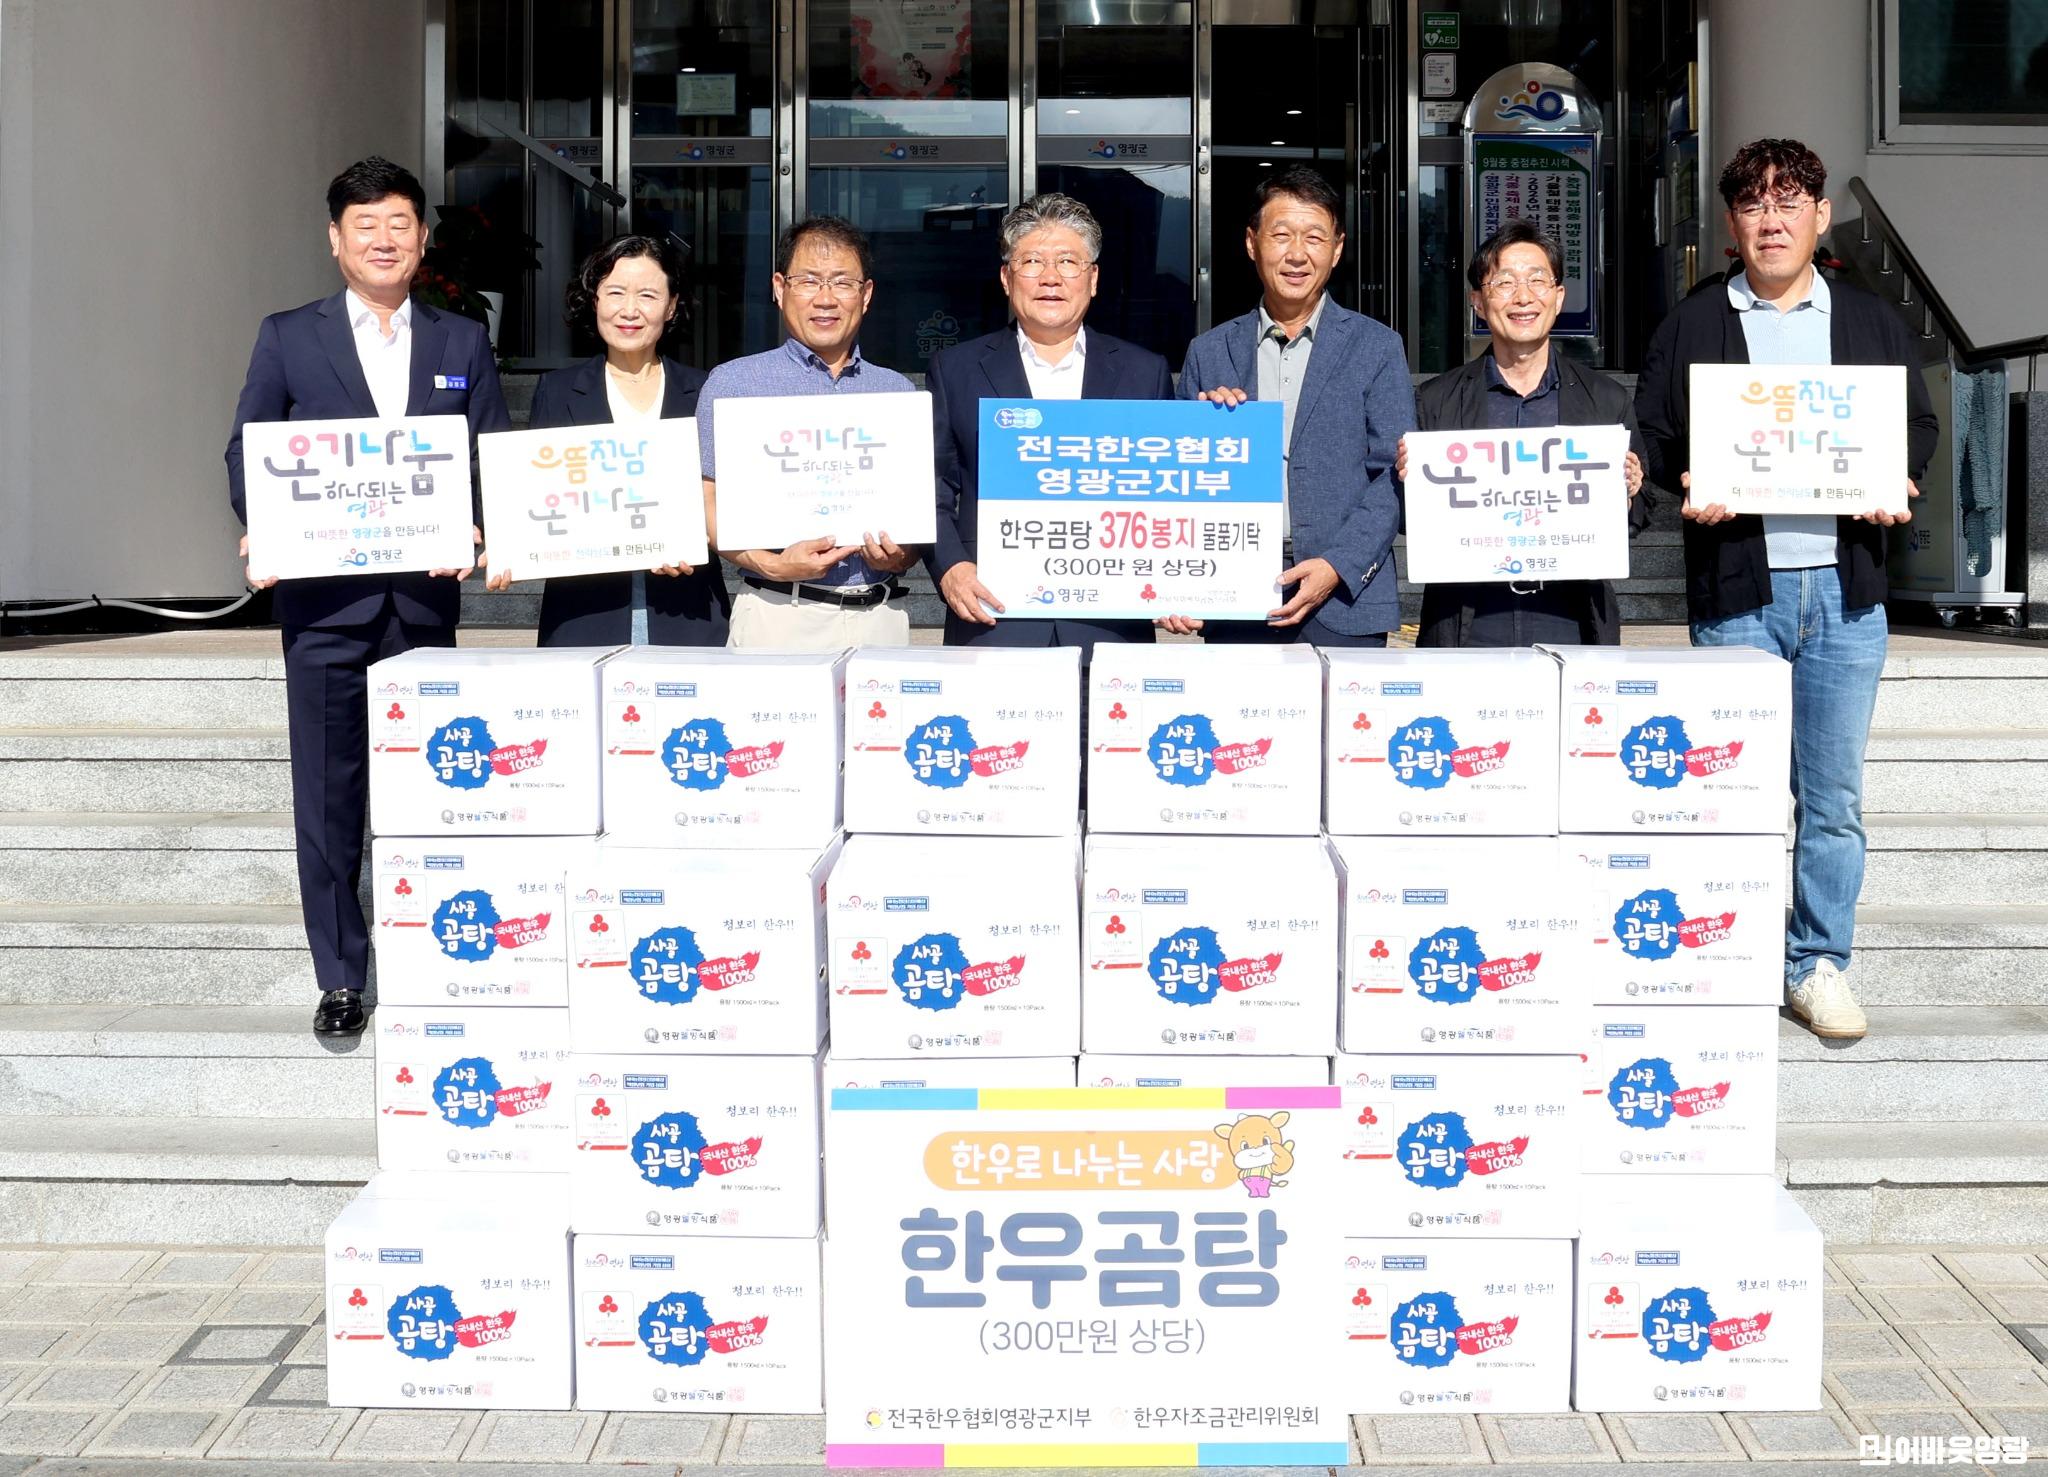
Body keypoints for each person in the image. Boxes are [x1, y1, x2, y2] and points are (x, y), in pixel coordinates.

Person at [1635, 137, 1936, 1041]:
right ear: (1733, 224)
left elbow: (1915, 424)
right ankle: (1728, 961)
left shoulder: (1868, 320)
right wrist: (1683, 483)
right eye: (1754, 204)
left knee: (1832, 799)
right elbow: (1652, 437)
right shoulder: (1693, 323)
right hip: (1739, 592)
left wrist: (1898, 478)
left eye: (1789, 201)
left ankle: (1818, 965)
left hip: (1846, 593)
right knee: (1731, 796)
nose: (1772, 220)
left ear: (1820, 217)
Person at [225, 156, 508, 1039]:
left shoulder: (462, 340)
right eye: (365, 225)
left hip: (422, 607)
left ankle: (432, 960)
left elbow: (489, 453)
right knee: (329, 797)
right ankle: (342, 973)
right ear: (335, 239)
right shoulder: (289, 336)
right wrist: (264, 525)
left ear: (422, 238)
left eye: (399, 223)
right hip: (323, 610)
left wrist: (480, 524)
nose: (384, 240)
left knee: (433, 789)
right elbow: (247, 448)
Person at [1170, 165, 1414, 646]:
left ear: (1337, 249)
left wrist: (1337, 565)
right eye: (1281, 235)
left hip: (1344, 601)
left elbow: (1393, 476)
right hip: (1234, 592)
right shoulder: (1209, 352)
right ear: (1252, 243)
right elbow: (1179, 483)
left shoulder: (1377, 347)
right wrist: (1206, 428)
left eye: (1314, 238)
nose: (1297, 254)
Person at [926, 193, 1173, 657]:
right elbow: (929, 490)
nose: (1050, 277)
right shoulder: (955, 370)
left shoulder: (1145, 372)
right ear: (1006, 278)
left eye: (1067, 262)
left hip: (1110, 625)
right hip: (994, 617)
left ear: (1093, 278)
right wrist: (951, 567)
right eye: (1032, 261)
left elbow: (1172, 494)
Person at [1397, 220, 1649, 646]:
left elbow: (1638, 515)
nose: (1523, 297)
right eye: (1505, 283)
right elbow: (1408, 522)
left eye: (1537, 280)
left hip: (1571, 617)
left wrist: (1628, 492)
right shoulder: (1436, 401)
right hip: (1469, 621)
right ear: (1478, 302)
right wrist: (1411, 484)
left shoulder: (1605, 400)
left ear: (1558, 297)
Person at [487, 234, 724, 646]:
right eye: (615, 292)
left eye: (647, 295)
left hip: (687, 612)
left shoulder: (705, 390)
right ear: (594, 300)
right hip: (584, 617)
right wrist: (511, 546)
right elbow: (536, 494)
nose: (629, 310)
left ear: (671, 306)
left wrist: (698, 539)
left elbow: (721, 500)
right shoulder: (557, 390)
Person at [697, 216, 921, 650]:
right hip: (778, 613)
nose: (826, 298)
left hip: (880, 615)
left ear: (866, 295)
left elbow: (912, 507)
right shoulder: (734, 384)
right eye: (809, 281)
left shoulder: (896, 391)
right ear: (780, 288)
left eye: (842, 282)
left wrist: (902, 554)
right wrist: (770, 564)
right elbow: (707, 499)